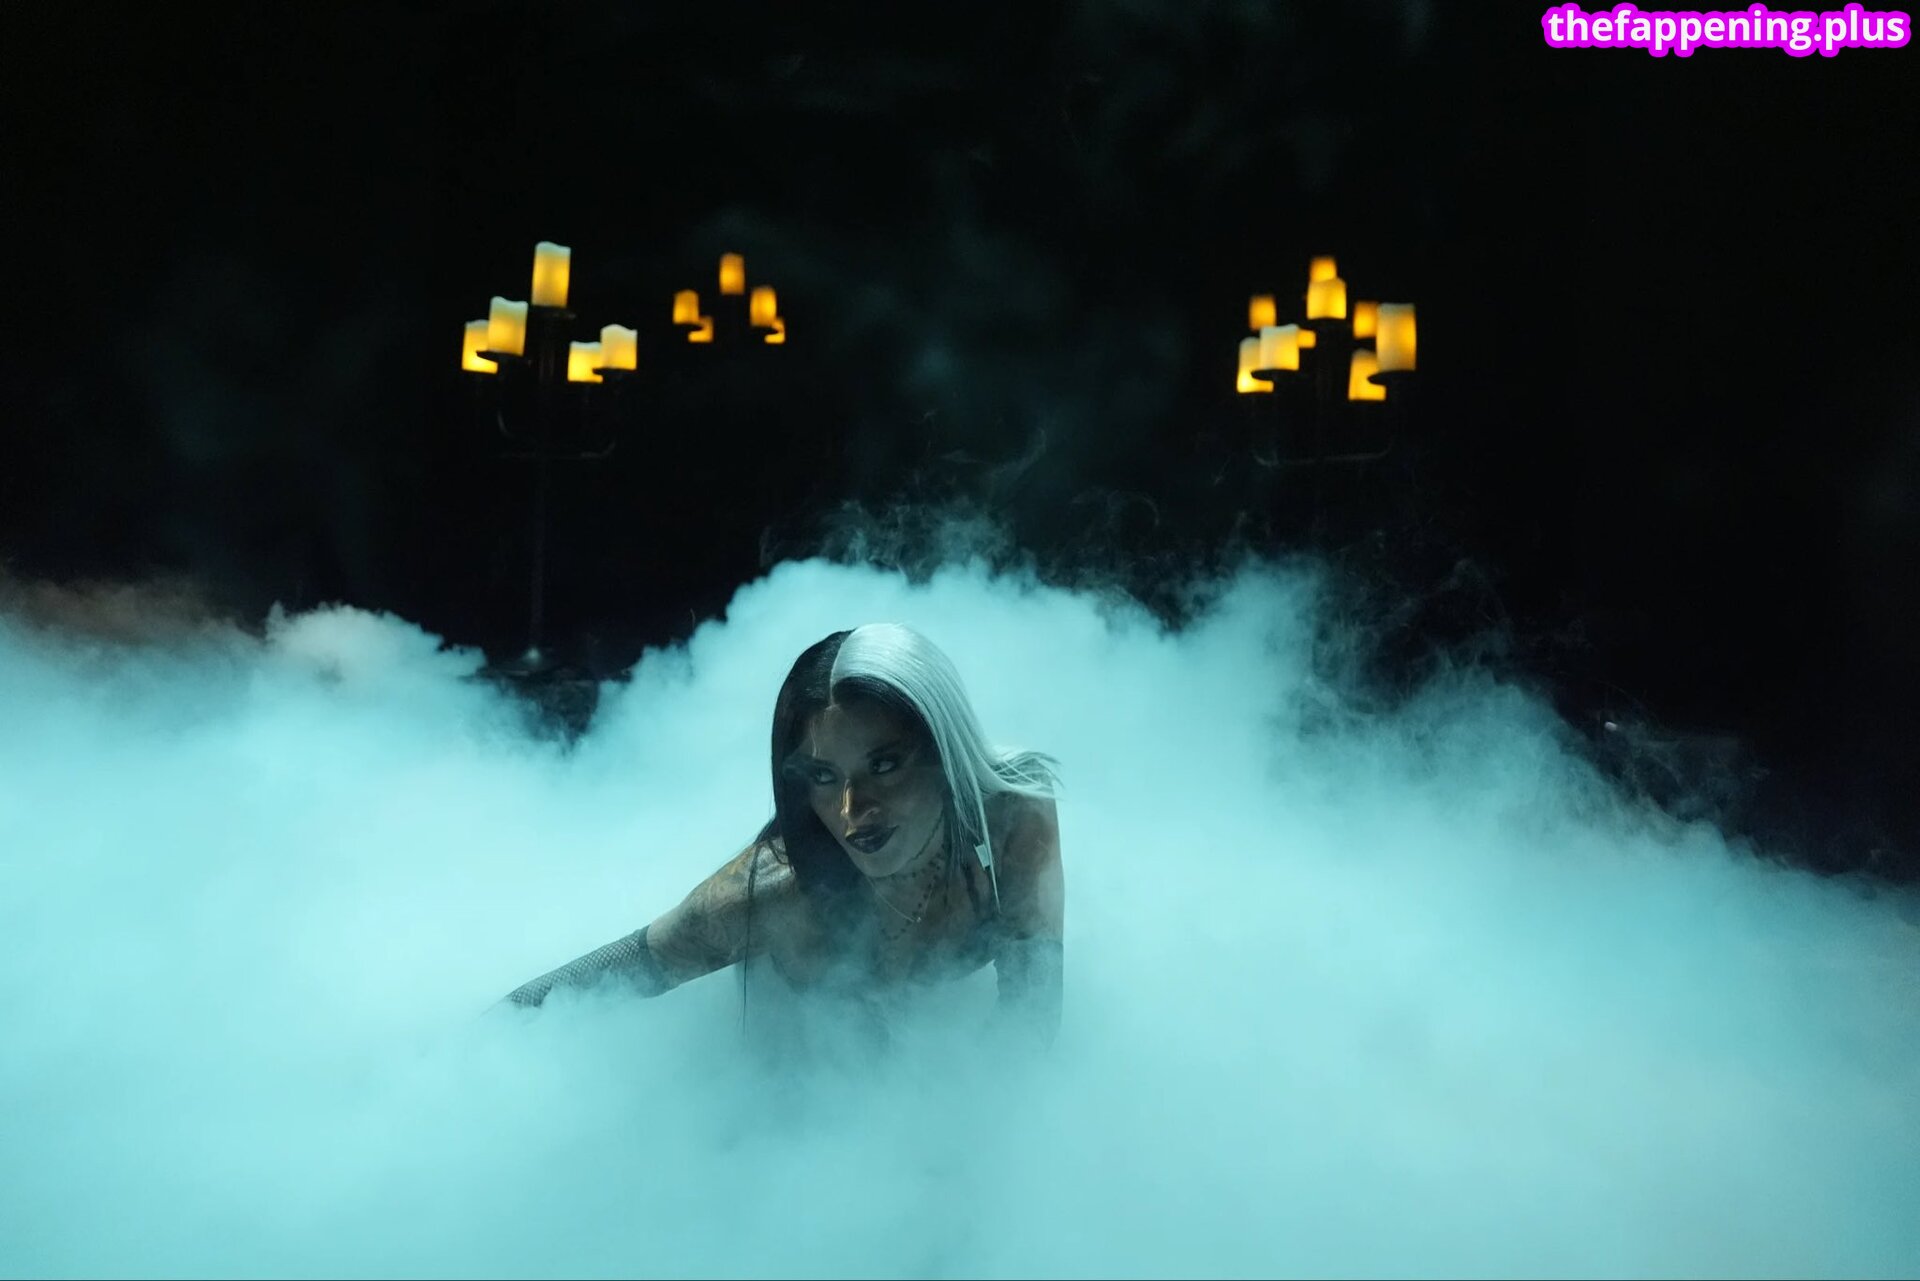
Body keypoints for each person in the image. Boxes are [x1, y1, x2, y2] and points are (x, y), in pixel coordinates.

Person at [503, 622, 1064, 1044]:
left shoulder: (1013, 814)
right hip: (790, 1076)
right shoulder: (769, 895)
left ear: (944, 751)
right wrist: (467, 1057)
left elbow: (1033, 1016)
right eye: (823, 776)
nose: (853, 809)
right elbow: (593, 984)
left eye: (884, 765)